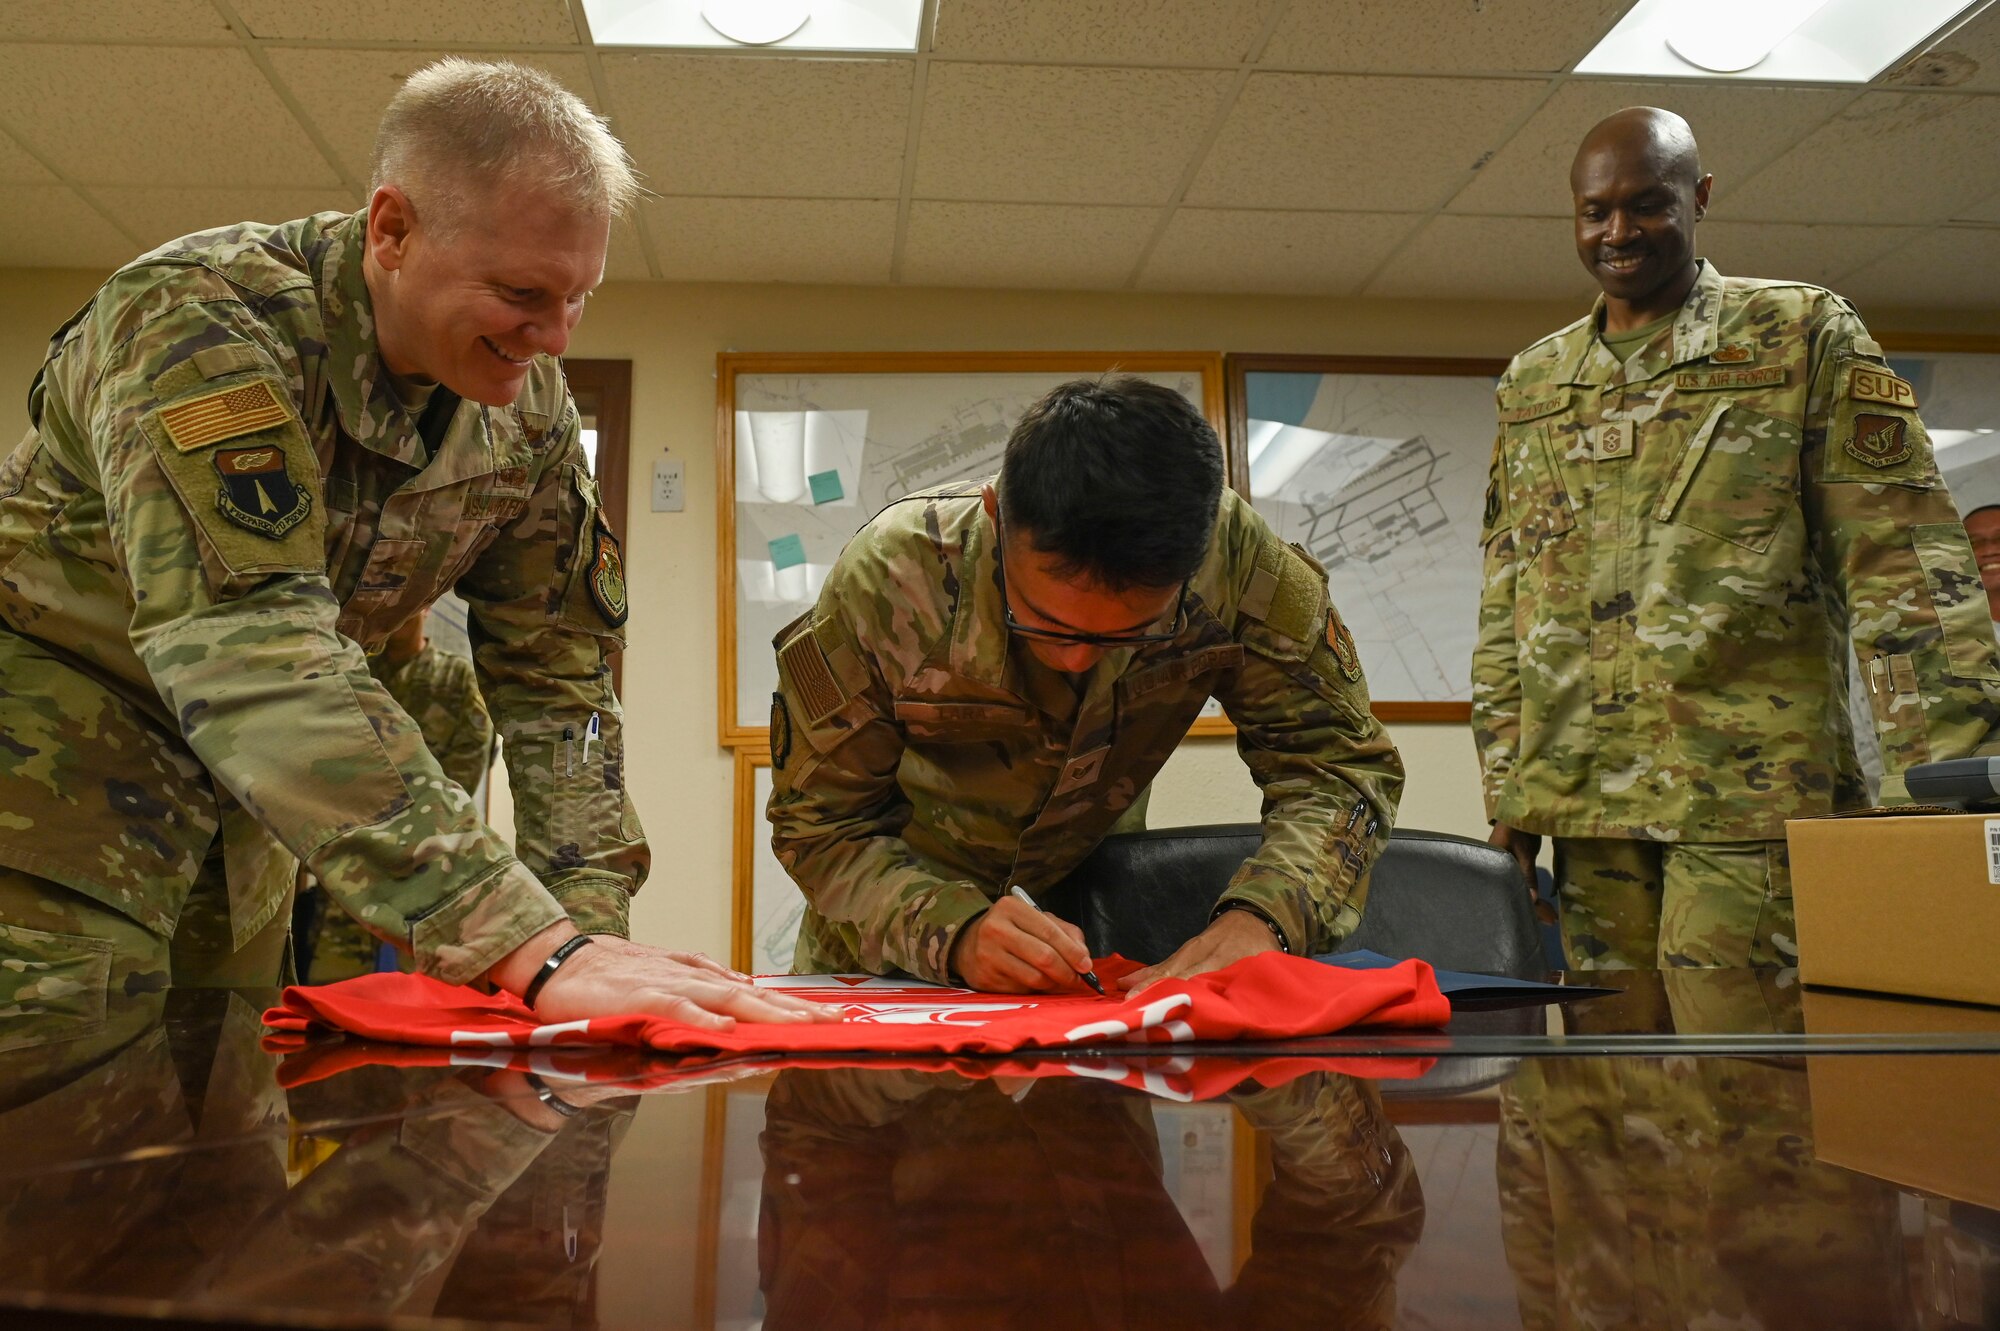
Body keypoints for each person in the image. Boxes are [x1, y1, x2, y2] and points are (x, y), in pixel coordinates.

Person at [0, 58, 826, 1031]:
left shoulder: (527, 416)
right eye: (523, 291)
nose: (555, 337)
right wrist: (529, 941)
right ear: (392, 229)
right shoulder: (200, 321)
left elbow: (562, 685)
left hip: (253, 805)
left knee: (229, 1128)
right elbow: (247, 647)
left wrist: (589, 934)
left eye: (580, 298)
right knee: (59, 1118)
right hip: (51, 780)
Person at [1472, 106, 2000, 970]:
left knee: (1741, 1087)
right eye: (1595, 211)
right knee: (1608, 1092)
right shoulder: (1534, 382)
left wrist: (1943, 788)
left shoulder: (1799, 334)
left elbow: (1903, 569)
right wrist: (1510, 795)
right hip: (1584, 815)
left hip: (1748, 808)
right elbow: (1508, 602)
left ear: (1700, 196)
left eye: (1646, 204)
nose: (1618, 232)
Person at [768, 376, 1404, 993]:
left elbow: (1336, 764)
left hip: (1087, 964)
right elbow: (821, 829)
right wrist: (952, 933)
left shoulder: (1237, 565)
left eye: (1130, 634)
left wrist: (1266, 918)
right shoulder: (893, 578)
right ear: (995, 514)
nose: (1075, 661)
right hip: (885, 966)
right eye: (1042, 623)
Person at [297, 609, 495, 981]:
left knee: (431, 981)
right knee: (334, 979)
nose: (397, 620)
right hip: (360, 844)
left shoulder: (454, 676)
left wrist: (417, 822)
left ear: (424, 609)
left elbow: (469, 758)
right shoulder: (363, 675)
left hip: (431, 848)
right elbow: (338, 757)